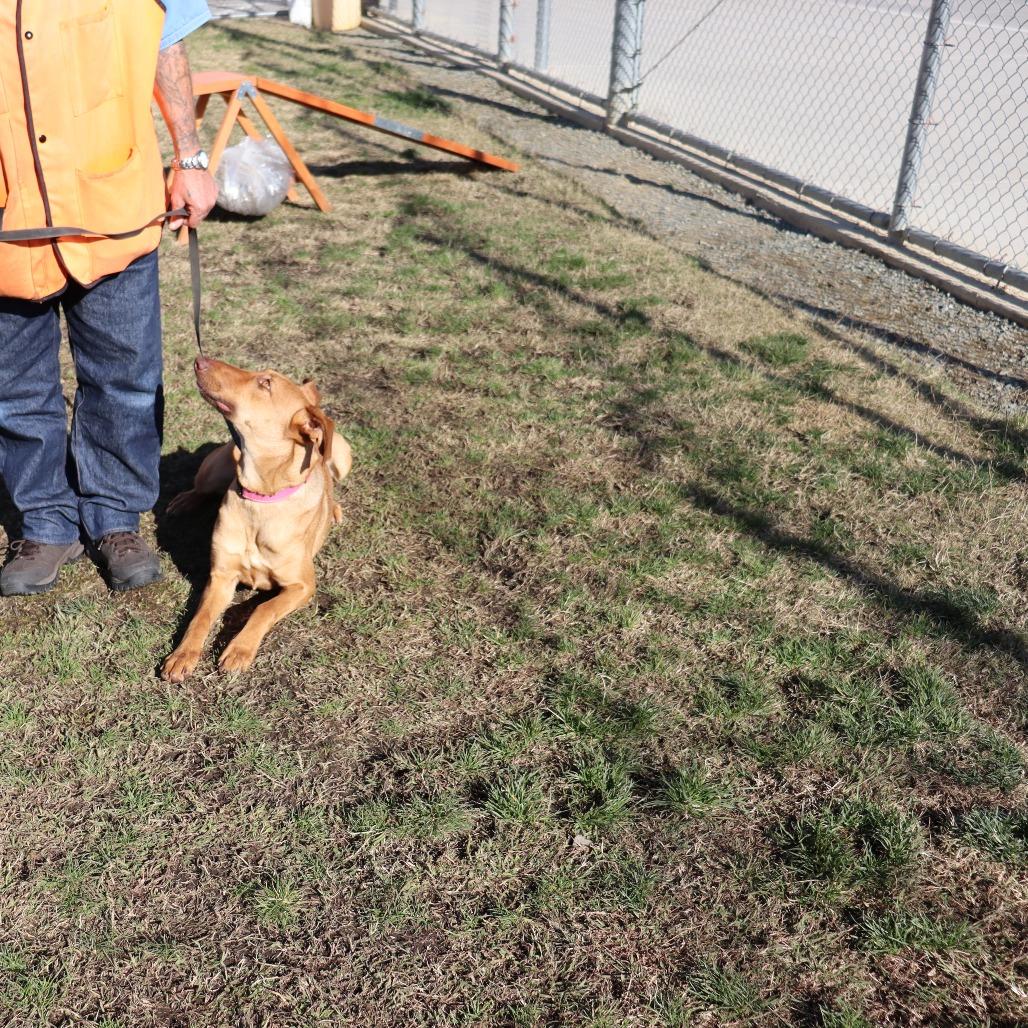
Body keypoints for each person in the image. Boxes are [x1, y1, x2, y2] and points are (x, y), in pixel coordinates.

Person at [0, 0, 218, 595]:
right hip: (8, 217)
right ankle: (45, 521)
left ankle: (115, 515)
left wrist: (190, 154)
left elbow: (166, 35)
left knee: (125, 376)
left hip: (113, 202)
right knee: (13, 386)